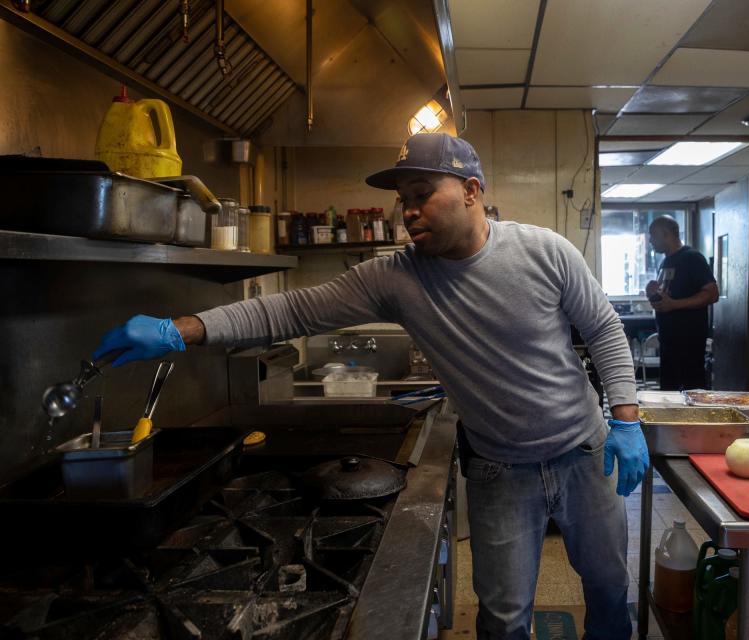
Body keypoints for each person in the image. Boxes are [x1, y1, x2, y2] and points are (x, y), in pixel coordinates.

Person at [95, 133, 649, 640]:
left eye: (422, 193)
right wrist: (181, 330)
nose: (408, 210)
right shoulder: (396, 276)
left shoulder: (545, 251)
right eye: (402, 198)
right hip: (500, 470)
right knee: (503, 619)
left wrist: (625, 418)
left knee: (609, 590)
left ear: (472, 191)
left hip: (585, 452)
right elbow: (291, 311)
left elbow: (603, 328)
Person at [644, 216, 718, 391]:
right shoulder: (665, 261)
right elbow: (667, 297)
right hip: (669, 342)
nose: (650, 241)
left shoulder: (692, 258)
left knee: (692, 393)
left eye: (653, 236)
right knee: (669, 394)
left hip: (688, 343)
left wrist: (675, 305)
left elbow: (712, 293)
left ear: (666, 234)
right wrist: (652, 293)